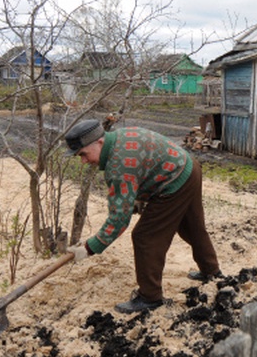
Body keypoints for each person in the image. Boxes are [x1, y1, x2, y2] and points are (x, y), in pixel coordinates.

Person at [64, 119, 222, 313]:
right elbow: (144, 164)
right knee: (192, 227)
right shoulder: (119, 138)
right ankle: (212, 272)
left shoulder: (118, 166)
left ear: (99, 143)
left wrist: (90, 247)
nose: (83, 161)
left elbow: (119, 219)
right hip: (188, 168)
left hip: (173, 183)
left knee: (145, 237)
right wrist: (137, 199)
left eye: (83, 154)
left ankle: (149, 298)